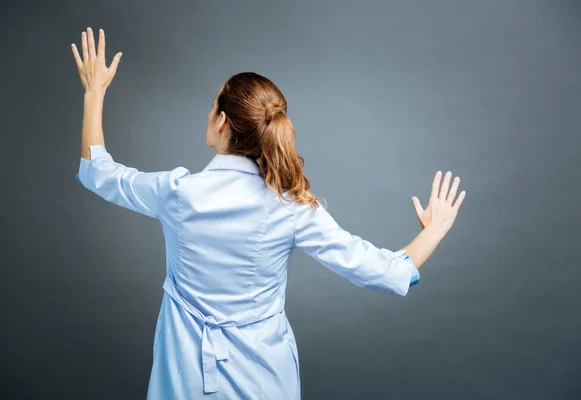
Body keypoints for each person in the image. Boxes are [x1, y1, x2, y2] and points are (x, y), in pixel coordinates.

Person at [71, 27, 466, 400]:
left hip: (185, 378)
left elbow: (99, 172)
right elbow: (381, 271)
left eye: (212, 106)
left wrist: (94, 91)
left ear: (222, 122)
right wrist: (432, 231)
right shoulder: (291, 208)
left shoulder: (177, 193)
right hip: (264, 380)